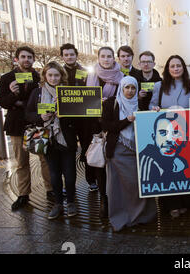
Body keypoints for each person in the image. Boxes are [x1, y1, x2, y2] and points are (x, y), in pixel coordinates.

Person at [0, 46, 52, 210]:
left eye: (29, 57)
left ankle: (51, 190)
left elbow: (41, 100)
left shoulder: (38, 77)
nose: (26, 60)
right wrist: (13, 94)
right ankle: (23, 194)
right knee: (21, 162)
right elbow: (3, 103)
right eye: (23, 57)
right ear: (17, 59)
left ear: (33, 59)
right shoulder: (7, 78)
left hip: (36, 124)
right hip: (16, 126)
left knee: (44, 159)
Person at [101, 76, 156, 231]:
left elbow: (149, 121)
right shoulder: (111, 103)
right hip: (118, 150)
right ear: (121, 88)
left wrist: (154, 112)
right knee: (119, 186)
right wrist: (127, 120)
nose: (130, 91)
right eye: (127, 87)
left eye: (133, 88)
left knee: (139, 184)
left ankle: (142, 216)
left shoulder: (140, 103)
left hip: (139, 149)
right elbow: (106, 125)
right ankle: (122, 217)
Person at [25, 61, 78, 219]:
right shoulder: (38, 93)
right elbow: (28, 113)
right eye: (50, 75)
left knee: (70, 173)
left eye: (57, 75)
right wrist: (40, 117)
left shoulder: (68, 92)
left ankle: (71, 202)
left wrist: (65, 111)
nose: (54, 78)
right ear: (45, 76)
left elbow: (79, 116)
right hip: (47, 138)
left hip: (66, 137)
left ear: (62, 76)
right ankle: (58, 203)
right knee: (53, 173)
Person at [148, 55, 190, 218]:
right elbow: (152, 105)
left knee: (183, 168)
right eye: (172, 66)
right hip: (166, 136)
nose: (176, 68)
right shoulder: (159, 86)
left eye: (178, 65)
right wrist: (154, 108)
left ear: (183, 67)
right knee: (167, 169)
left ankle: (184, 202)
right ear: (167, 69)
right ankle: (171, 205)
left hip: (184, 134)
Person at [86, 46, 124, 218]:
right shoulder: (92, 75)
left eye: (109, 56)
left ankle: (117, 197)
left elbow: (124, 100)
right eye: (103, 56)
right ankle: (104, 198)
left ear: (114, 58)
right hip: (95, 125)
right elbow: (84, 100)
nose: (106, 59)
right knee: (99, 163)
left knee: (114, 161)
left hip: (114, 125)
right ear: (98, 57)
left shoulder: (121, 77)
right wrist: (94, 100)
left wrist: (108, 102)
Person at [60, 43, 98, 192]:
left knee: (88, 148)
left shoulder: (85, 71)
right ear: (62, 56)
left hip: (84, 119)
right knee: (68, 152)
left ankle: (91, 180)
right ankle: (69, 183)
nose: (69, 57)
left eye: (72, 54)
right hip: (66, 119)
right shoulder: (58, 72)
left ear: (76, 55)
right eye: (66, 54)